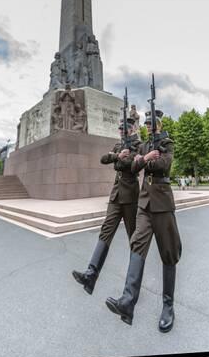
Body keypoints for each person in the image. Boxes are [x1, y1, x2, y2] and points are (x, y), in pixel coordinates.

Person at [105, 109, 182, 333]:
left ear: (159, 123)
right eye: (146, 123)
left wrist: (144, 161)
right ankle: (127, 303)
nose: (148, 126)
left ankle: (168, 306)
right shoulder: (146, 146)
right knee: (137, 245)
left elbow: (163, 166)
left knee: (168, 253)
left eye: (151, 123)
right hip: (144, 202)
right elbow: (133, 167)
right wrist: (144, 159)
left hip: (163, 202)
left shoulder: (166, 143)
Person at [72, 118, 141, 294]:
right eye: (119, 128)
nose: (120, 131)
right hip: (116, 196)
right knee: (105, 231)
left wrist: (118, 161)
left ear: (131, 129)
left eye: (123, 128)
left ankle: (132, 288)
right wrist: (118, 156)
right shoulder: (119, 147)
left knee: (133, 239)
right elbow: (104, 159)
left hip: (130, 198)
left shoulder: (138, 144)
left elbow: (131, 166)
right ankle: (91, 273)